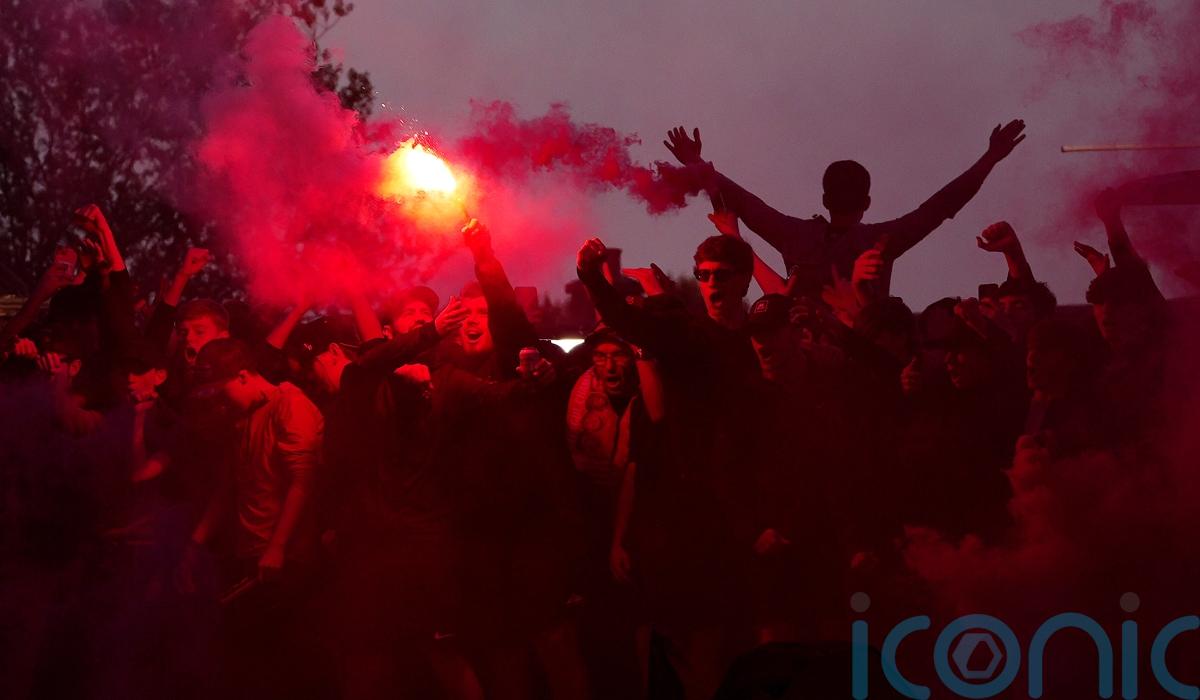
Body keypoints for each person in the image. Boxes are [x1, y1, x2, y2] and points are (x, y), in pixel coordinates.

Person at [662, 120, 1026, 295]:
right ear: (867, 202)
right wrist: (989, 158)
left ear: (824, 200)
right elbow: (941, 206)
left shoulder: (794, 235)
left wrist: (696, 163)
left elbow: (741, 203)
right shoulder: (881, 241)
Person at [187, 337, 324, 700]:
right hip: (251, 554)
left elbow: (303, 482)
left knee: (283, 667)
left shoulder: (291, 406)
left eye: (222, 391)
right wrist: (194, 544)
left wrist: (277, 547)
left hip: (287, 561)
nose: (220, 401)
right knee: (247, 666)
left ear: (244, 375)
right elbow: (227, 487)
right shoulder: (242, 417)